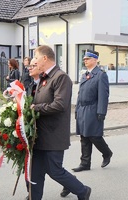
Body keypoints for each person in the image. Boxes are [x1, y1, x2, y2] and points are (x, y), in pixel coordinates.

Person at [30, 45, 91, 200]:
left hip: (53, 135)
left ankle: (82, 190)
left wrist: (35, 108)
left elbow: (59, 105)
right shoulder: (43, 78)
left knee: (54, 170)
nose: (34, 61)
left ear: (45, 58)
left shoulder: (60, 77)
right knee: (35, 172)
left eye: (36, 58)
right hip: (40, 135)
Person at [72, 49, 113, 172]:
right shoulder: (85, 74)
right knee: (84, 136)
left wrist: (101, 112)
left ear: (95, 60)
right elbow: (80, 95)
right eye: (84, 59)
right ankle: (85, 163)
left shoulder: (101, 75)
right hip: (82, 109)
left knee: (94, 136)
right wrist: (76, 110)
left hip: (93, 109)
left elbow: (103, 95)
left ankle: (107, 153)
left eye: (88, 59)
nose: (85, 61)